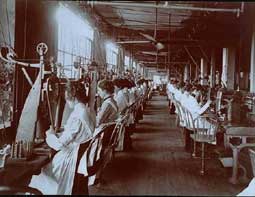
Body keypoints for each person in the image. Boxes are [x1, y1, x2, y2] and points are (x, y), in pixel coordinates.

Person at [29, 80, 95, 195]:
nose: (65, 98)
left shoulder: (77, 115)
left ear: (72, 96)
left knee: (42, 174)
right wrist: (61, 133)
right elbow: (75, 133)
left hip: (71, 157)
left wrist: (50, 135)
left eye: (66, 95)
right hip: (78, 152)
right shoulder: (87, 110)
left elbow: (59, 145)